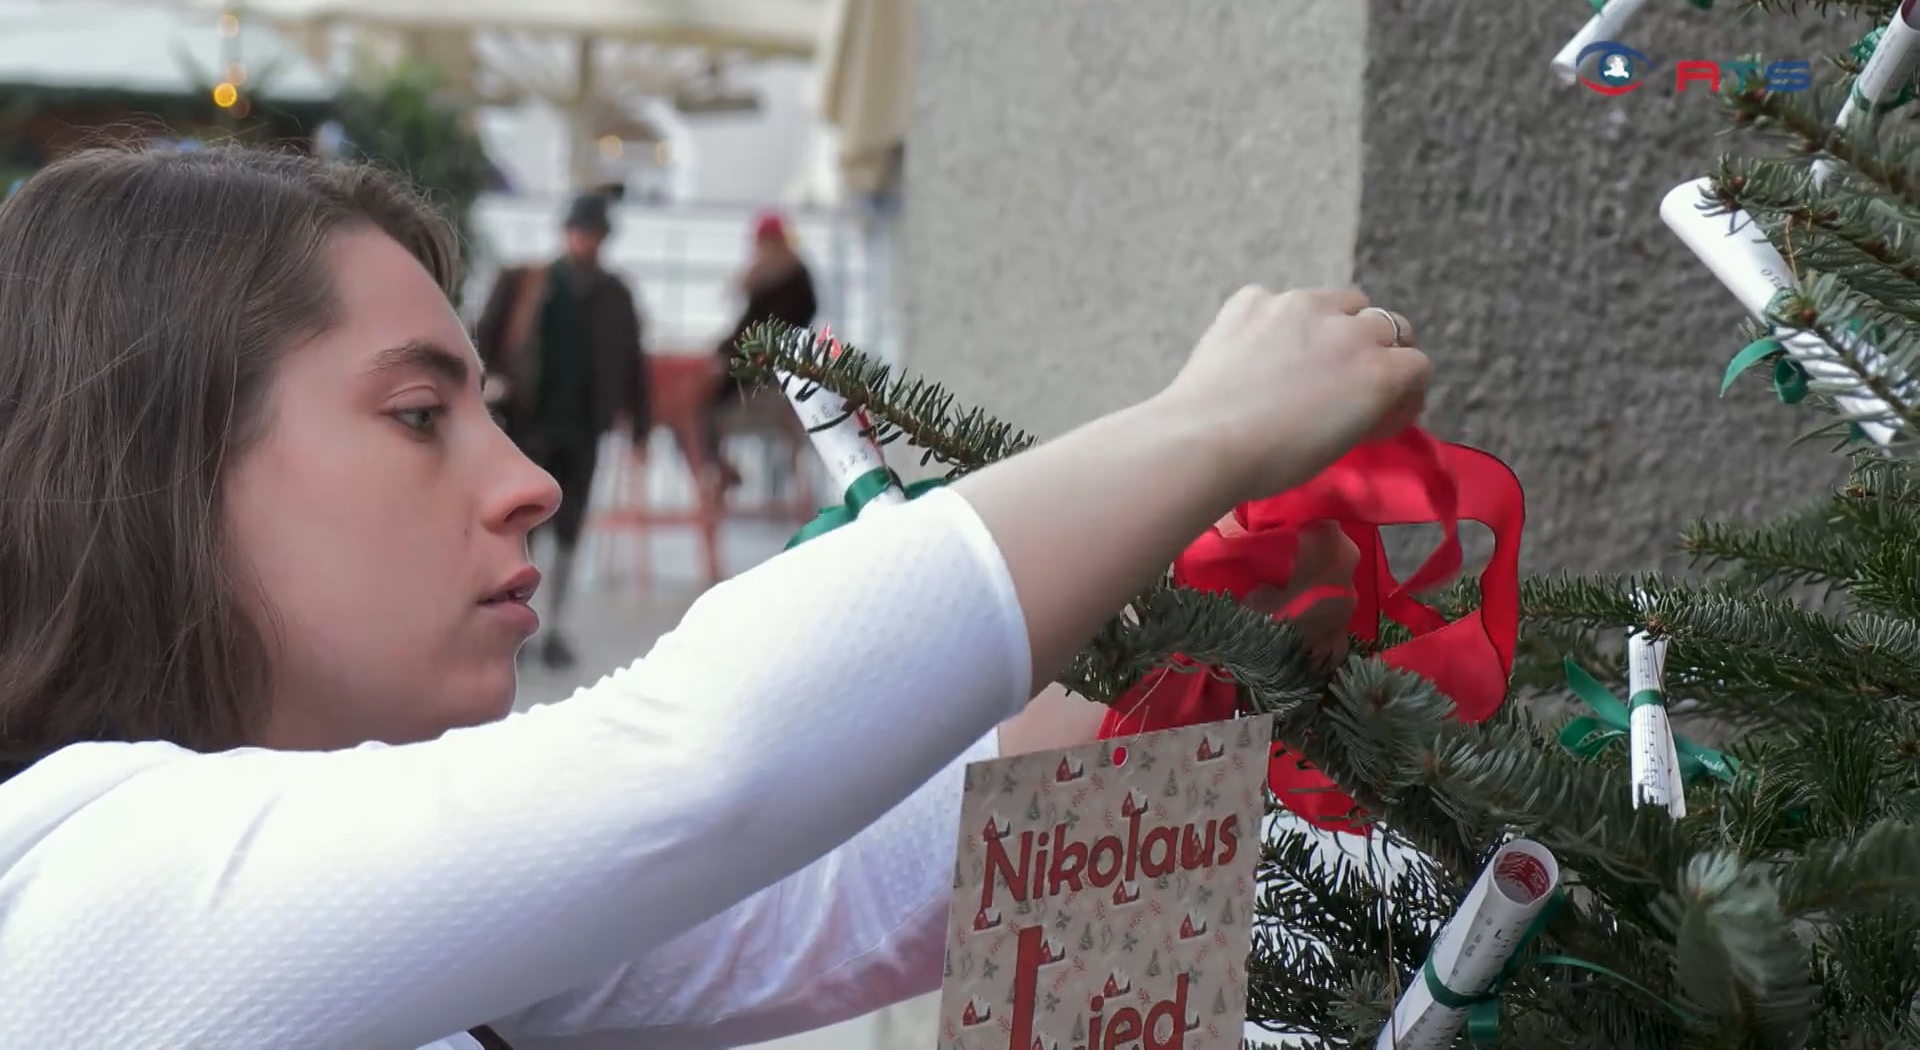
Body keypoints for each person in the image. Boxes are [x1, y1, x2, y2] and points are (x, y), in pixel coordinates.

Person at [0, 145, 1427, 1050]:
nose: (528, 484)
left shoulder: (445, 932)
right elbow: (707, 767)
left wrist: (1213, 578)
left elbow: (855, 868)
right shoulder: (77, 895)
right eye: (421, 416)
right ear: (155, 462)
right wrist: (1200, 432)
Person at [475, 192, 649, 669]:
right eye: (578, 231)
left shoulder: (615, 294)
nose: (583, 241)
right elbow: (481, 343)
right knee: (522, 526)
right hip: (527, 426)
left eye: (591, 233)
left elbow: (633, 363)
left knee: (570, 530)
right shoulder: (527, 283)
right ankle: (515, 622)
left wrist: (639, 429)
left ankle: (552, 626)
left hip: (584, 428)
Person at [706, 210, 818, 488]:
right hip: (753, 362)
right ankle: (717, 465)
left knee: (703, 399)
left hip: (765, 370)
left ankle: (716, 467)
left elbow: (766, 332)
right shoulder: (771, 277)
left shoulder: (789, 280)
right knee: (700, 394)